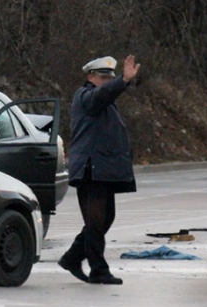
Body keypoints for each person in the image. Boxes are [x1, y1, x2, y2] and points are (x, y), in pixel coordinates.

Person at [58, 55, 140, 285]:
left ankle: (72, 257)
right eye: (102, 77)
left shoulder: (103, 102)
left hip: (100, 170)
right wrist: (123, 80)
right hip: (90, 170)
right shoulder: (86, 96)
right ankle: (98, 270)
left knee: (104, 218)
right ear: (90, 77)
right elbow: (102, 95)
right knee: (96, 222)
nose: (106, 81)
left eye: (109, 78)